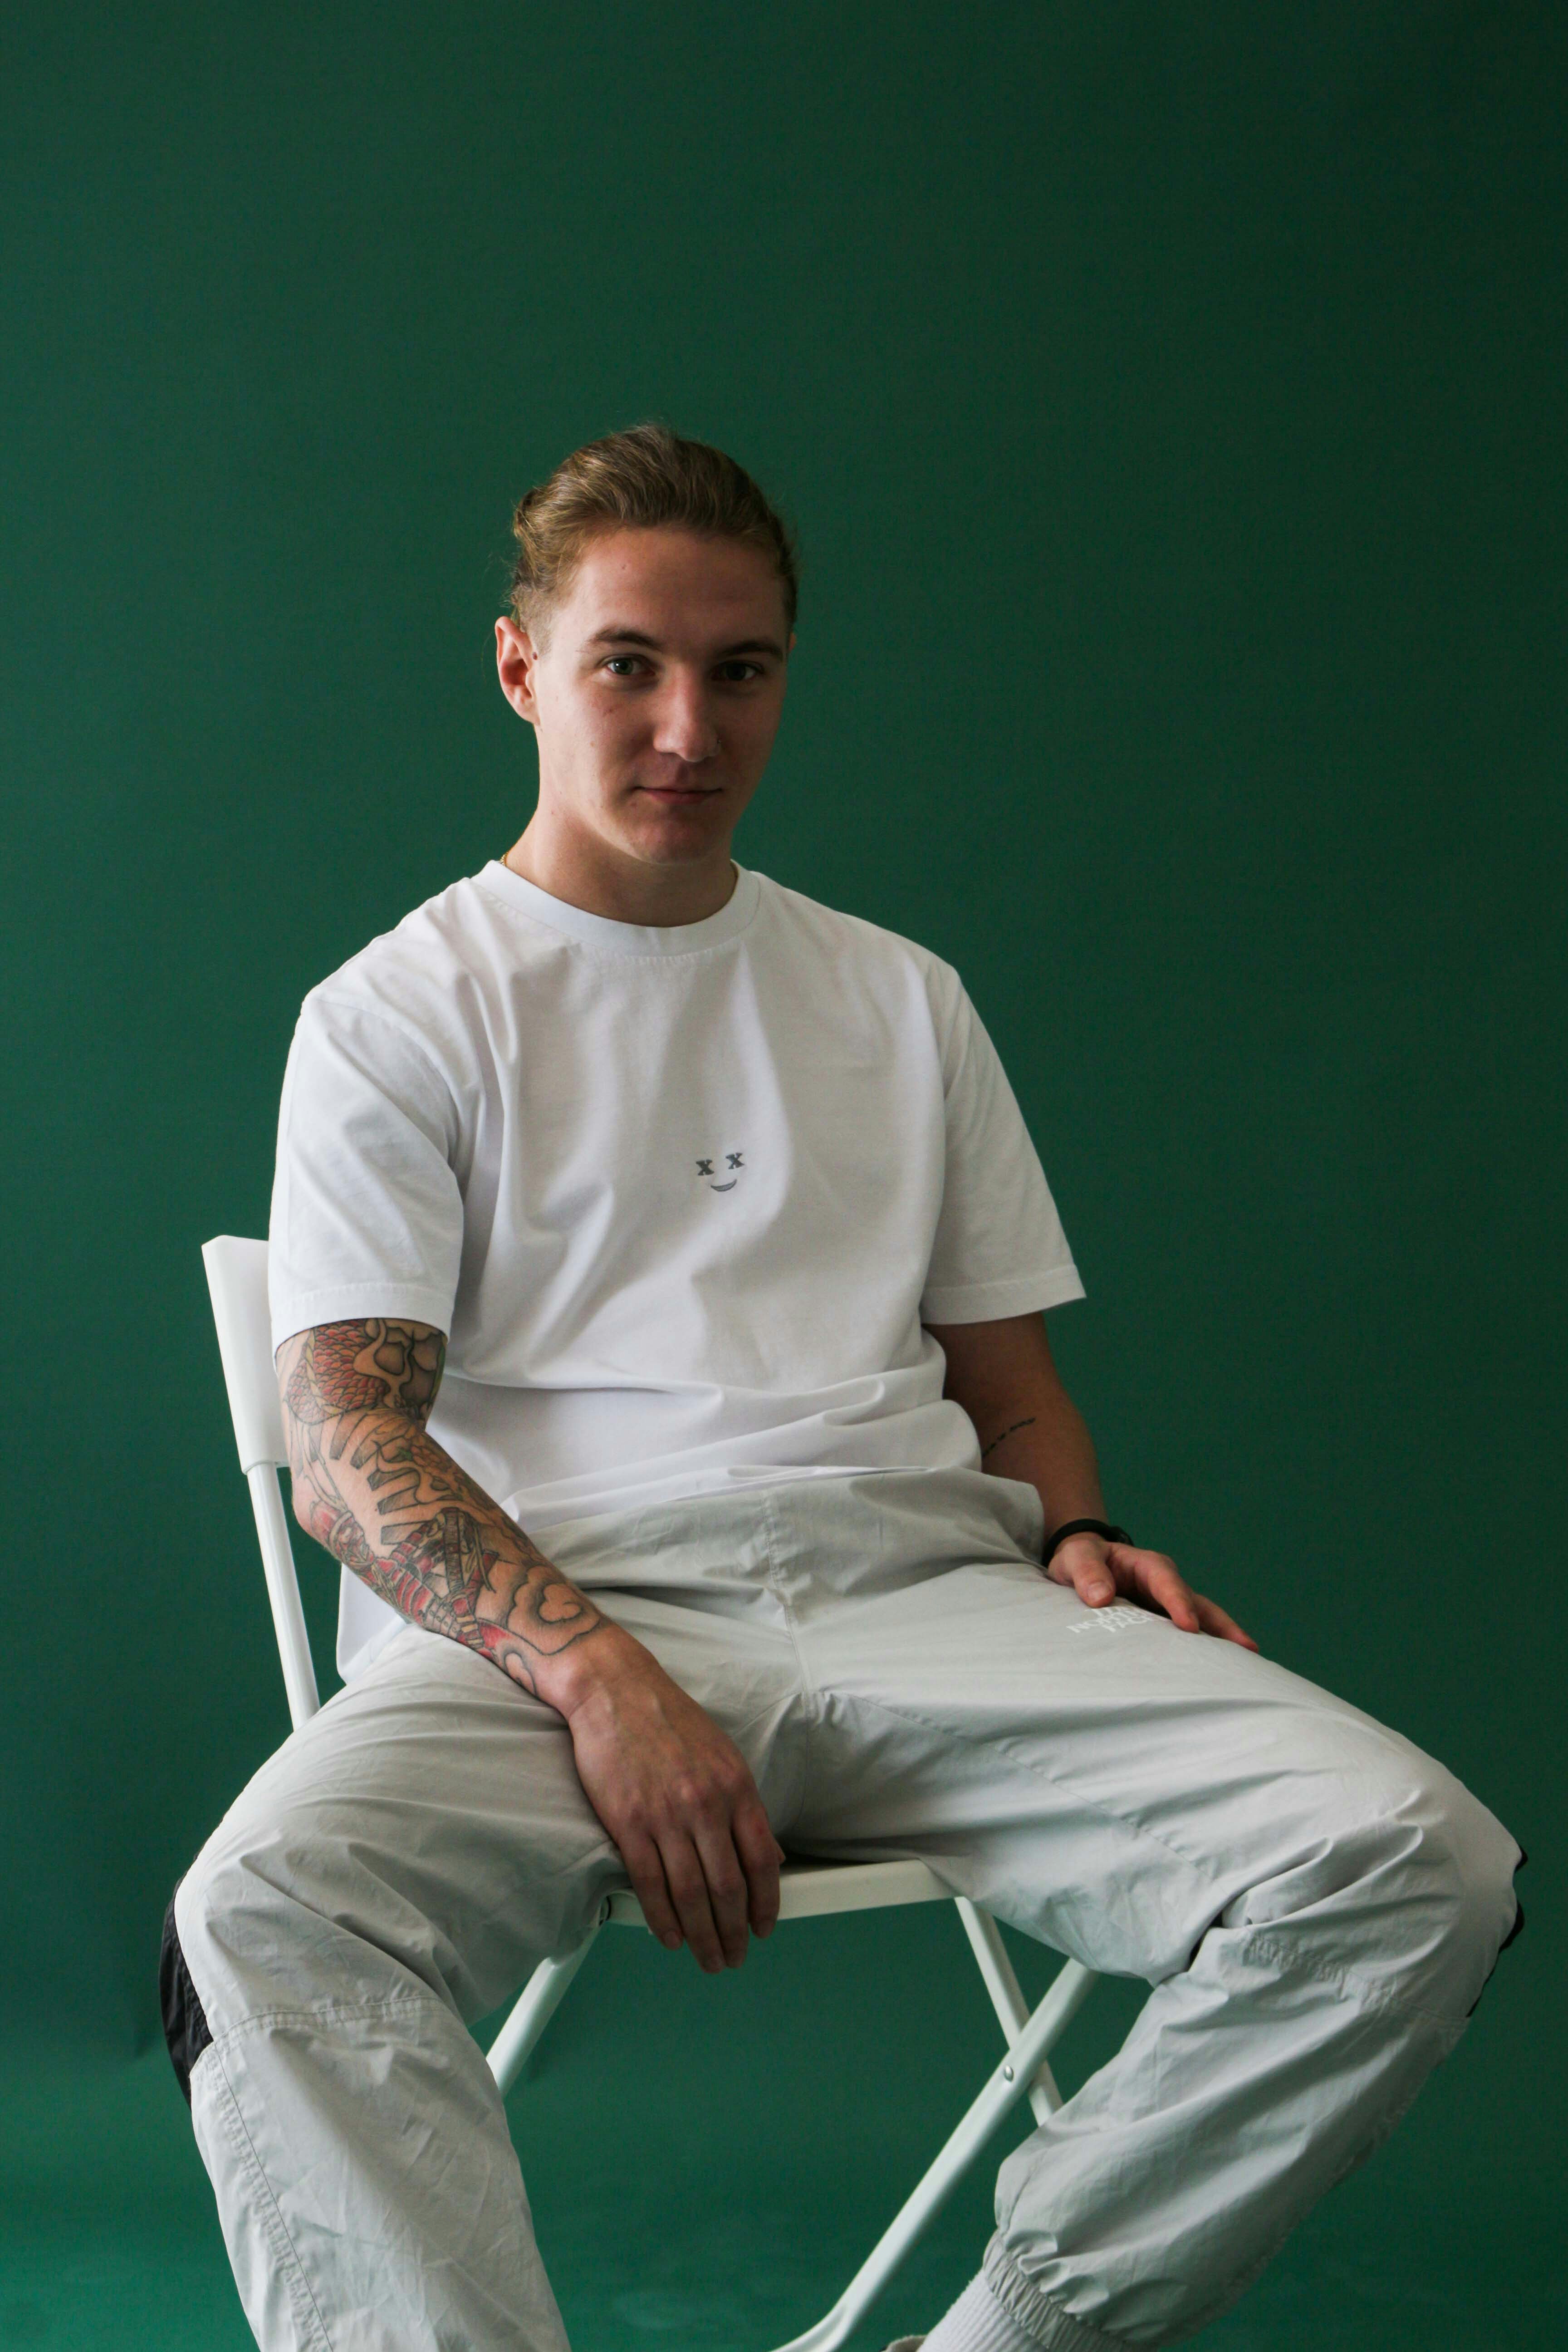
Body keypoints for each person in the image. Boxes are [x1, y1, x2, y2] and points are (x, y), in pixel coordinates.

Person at [162, 423, 1521, 2352]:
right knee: (258, 1919)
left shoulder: (899, 996)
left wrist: (1077, 1528)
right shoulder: (399, 1011)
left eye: (743, 671)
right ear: (521, 666)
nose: (686, 728)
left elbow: (1011, 1387)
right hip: (553, 1638)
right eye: (628, 662)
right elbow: (349, 1444)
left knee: (1420, 1863)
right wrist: (604, 1676)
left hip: (926, 1604)